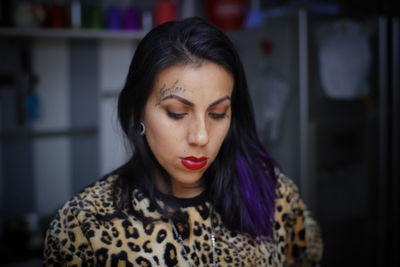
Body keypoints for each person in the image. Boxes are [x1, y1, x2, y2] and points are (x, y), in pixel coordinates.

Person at [43, 17, 323, 266]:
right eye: (177, 113)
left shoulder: (271, 192)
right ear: (135, 111)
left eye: (217, 113)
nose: (201, 137)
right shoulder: (85, 225)